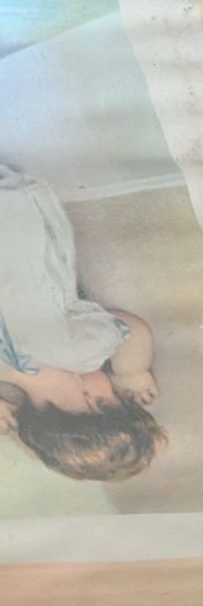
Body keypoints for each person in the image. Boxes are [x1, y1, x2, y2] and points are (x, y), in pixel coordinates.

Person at [0, 162, 165, 481]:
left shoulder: (81, 353)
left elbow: (133, 331)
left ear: (95, 402)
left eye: (114, 396)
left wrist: (132, 373)